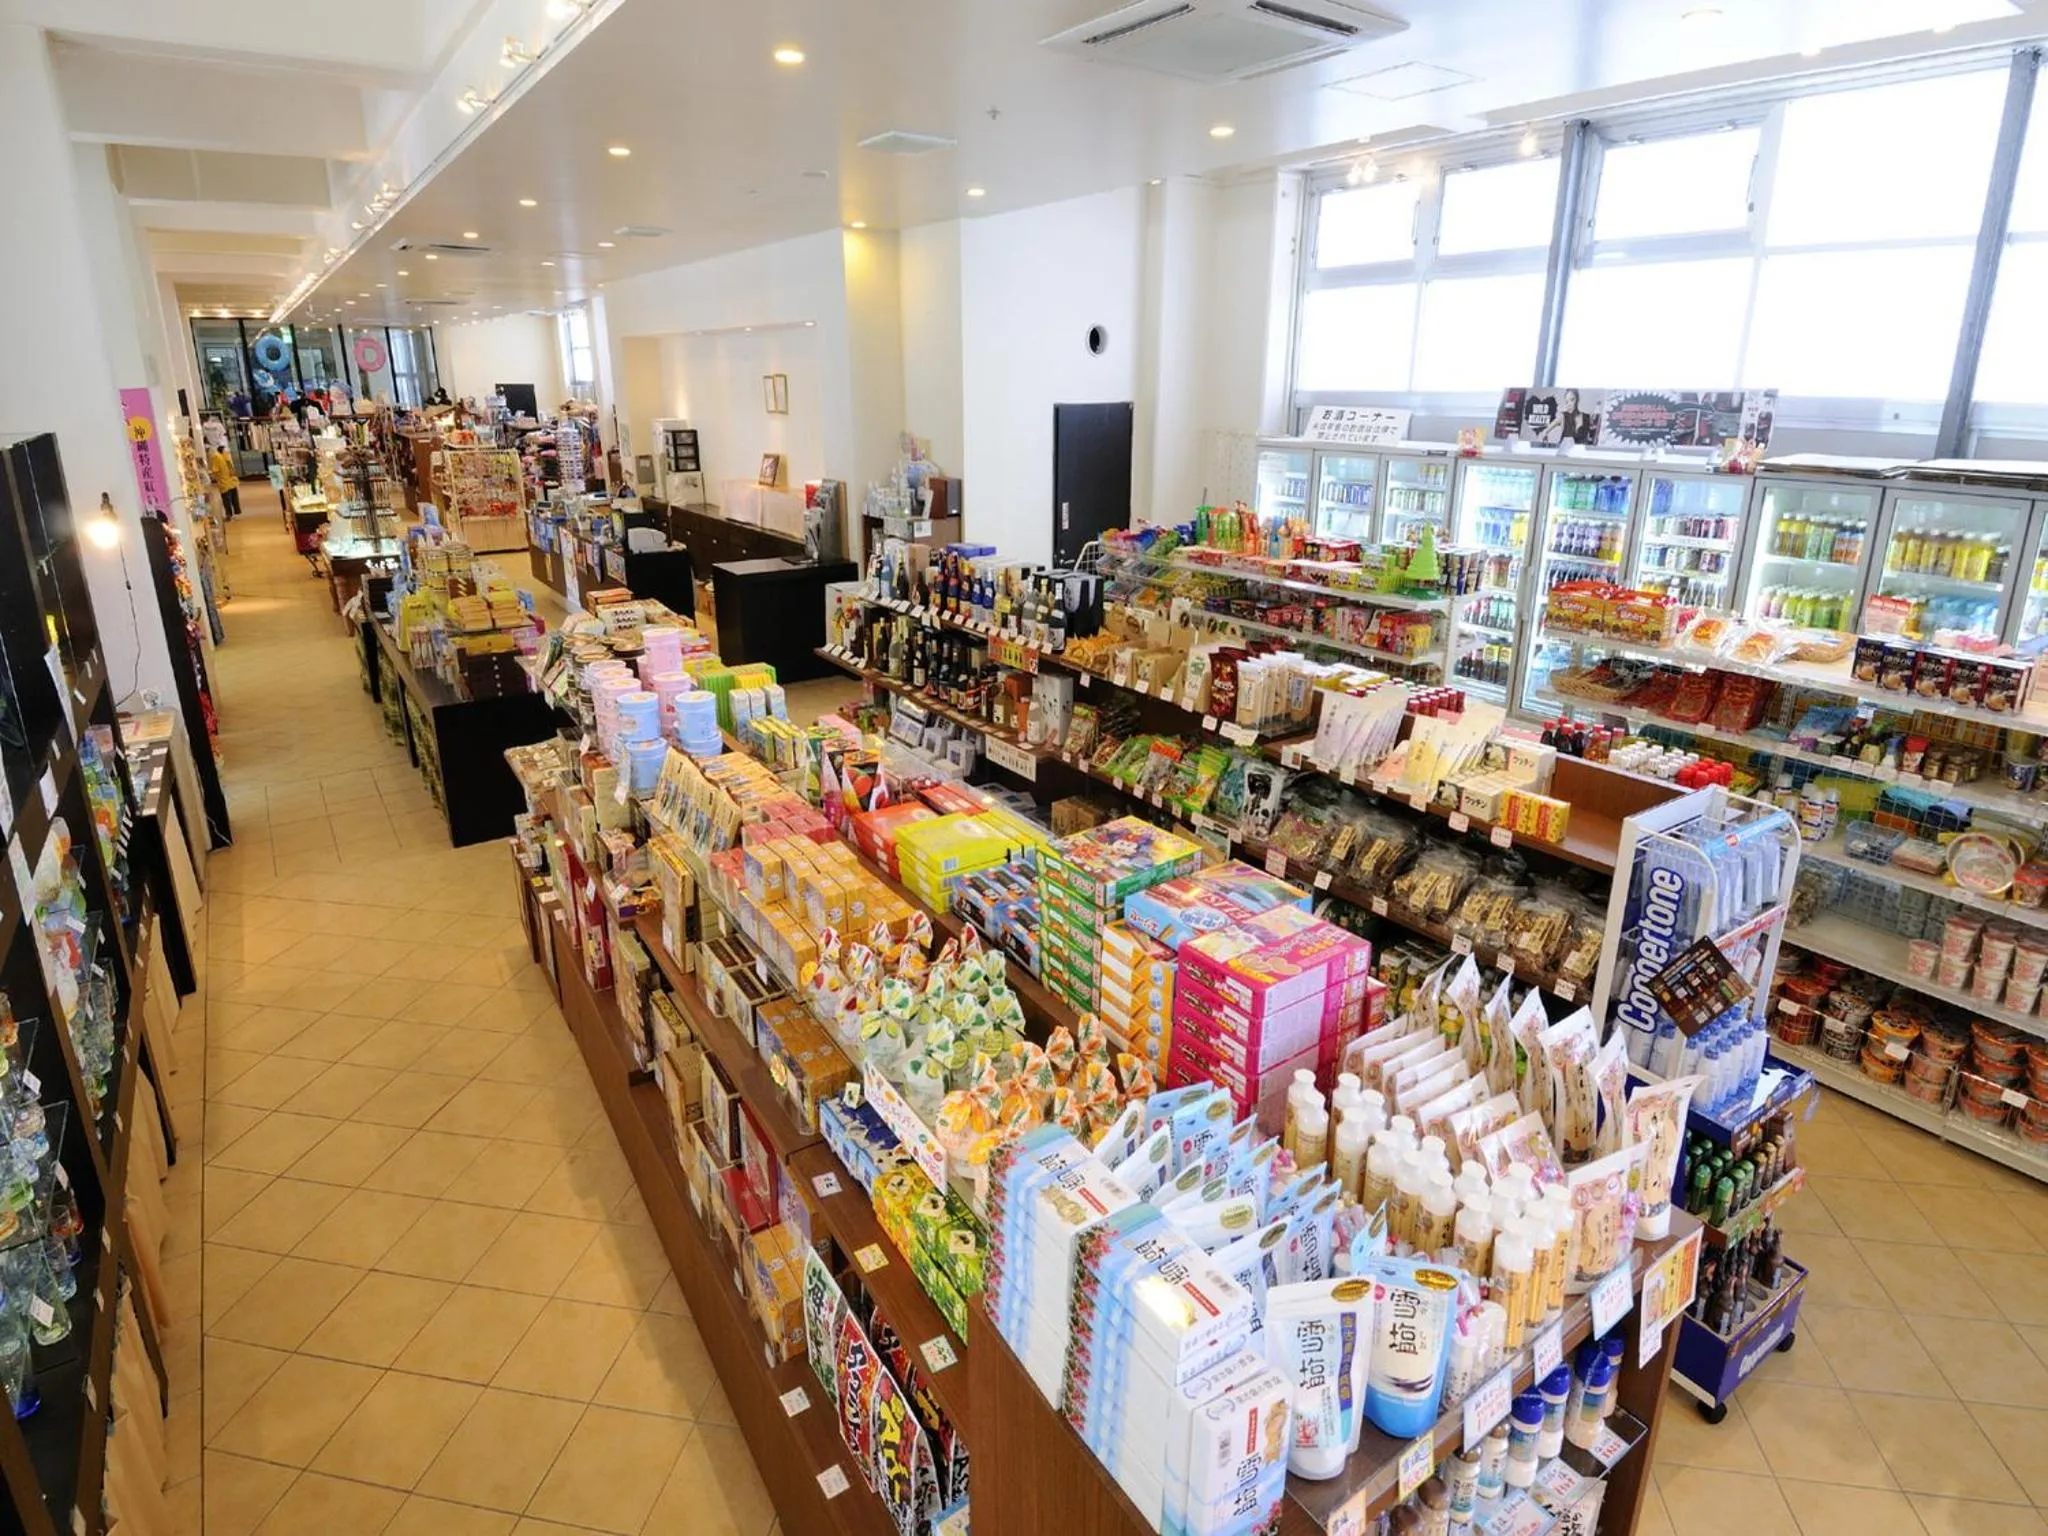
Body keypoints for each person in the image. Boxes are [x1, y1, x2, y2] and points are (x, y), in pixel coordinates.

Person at [208, 442, 242, 519]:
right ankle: (236, 512)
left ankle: (229, 514)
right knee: (234, 497)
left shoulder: (216, 456)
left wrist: (211, 475)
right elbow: (231, 466)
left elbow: (215, 469)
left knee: (226, 499)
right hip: (231, 479)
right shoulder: (226, 454)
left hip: (224, 481)